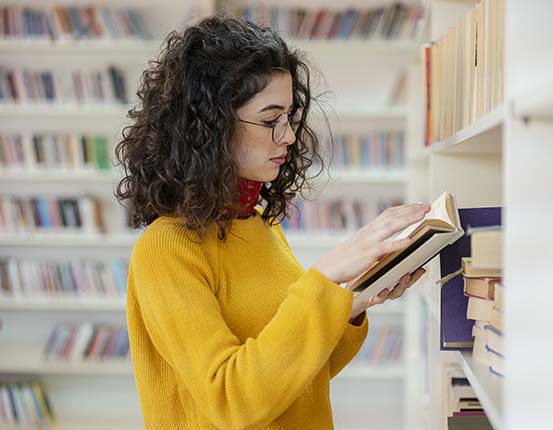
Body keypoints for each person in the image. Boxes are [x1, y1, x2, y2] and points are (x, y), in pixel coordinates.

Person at [115, 13, 429, 430]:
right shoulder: (165, 248)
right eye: (269, 120)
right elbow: (233, 401)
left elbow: (297, 380)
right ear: (209, 125)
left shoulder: (261, 225)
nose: (289, 137)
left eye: (290, 117)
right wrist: (326, 276)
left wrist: (352, 303)